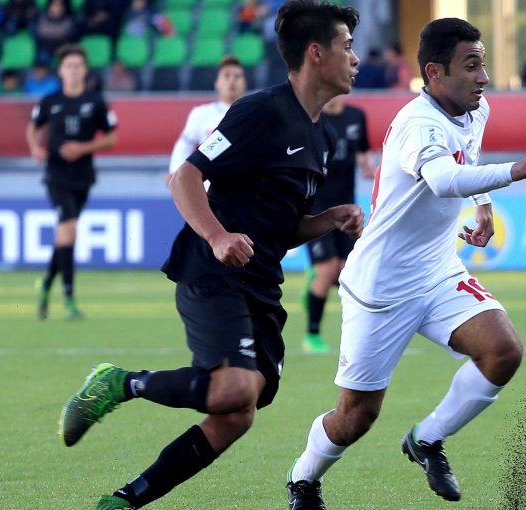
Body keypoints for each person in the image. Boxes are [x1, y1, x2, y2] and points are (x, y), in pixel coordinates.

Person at [57, 2, 362, 509]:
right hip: (212, 268)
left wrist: (328, 220)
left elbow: (279, 231)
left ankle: (124, 502)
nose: (355, 59)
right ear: (316, 53)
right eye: (346, 47)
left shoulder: (321, 138)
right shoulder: (260, 110)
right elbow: (185, 177)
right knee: (233, 391)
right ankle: (119, 382)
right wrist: (218, 235)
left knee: (238, 413)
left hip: (260, 283)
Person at [286, 17, 526, 508]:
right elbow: (443, 178)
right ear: (435, 73)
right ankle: (303, 478)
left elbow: (468, 164)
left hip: (437, 272)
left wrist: (485, 208)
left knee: (503, 351)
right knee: (355, 417)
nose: (484, 77)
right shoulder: (417, 124)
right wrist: (514, 172)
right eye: (471, 66)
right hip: (381, 288)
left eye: (483, 64)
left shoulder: (476, 108)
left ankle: (427, 439)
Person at [27, 44, 118, 321]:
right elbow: (33, 127)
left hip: (83, 176)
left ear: (85, 70)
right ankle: (69, 299)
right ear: (61, 70)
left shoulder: (96, 101)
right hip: (56, 175)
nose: (74, 70)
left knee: (64, 235)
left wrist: (84, 147)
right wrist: (35, 147)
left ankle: (45, 283)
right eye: (69, 66)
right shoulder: (49, 101)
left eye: (78, 65)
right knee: (69, 230)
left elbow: (112, 137)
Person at [302, 94, 374, 353]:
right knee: (328, 269)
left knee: (347, 272)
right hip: (316, 207)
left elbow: (363, 151)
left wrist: (368, 166)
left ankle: (313, 284)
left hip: (346, 208)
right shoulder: (312, 117)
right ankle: (312, 336)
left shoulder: (357, 116)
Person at [166, 56, 247, 188]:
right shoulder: (201, 114)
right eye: (227, 76)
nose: (232, 80)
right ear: (217, 83)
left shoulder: (255, 113)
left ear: (244, 83)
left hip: (243, 188)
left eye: (237, 76)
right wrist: (175, 171)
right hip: (208, 190)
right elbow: (184, 144)